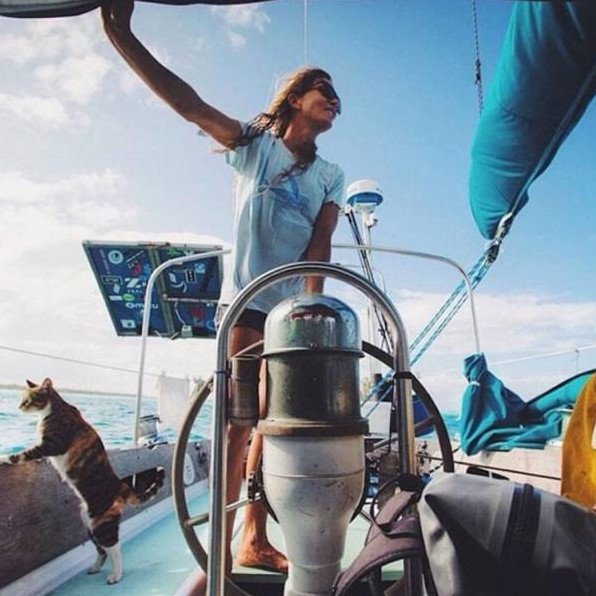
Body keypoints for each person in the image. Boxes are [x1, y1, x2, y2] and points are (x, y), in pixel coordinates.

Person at [102, 2, 344, 593]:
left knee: (273, 424)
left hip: (290, 313)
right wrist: (120, 34)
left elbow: (320, 244)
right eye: (324, 91)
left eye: (338, 99)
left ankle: (254, 537)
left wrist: (311, 308)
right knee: (239, 426)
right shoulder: (255, 146)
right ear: (295, 99)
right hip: (246, 302)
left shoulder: (331, 175)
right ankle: (217, 553)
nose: (335, 101)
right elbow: (189, 105)